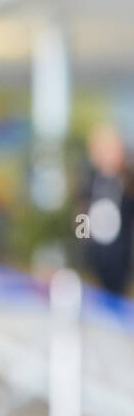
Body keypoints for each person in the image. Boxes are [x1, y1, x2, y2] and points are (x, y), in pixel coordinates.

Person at [81, 123, 134, 299]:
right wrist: (83, 243)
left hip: (121, 257)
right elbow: (81, 215)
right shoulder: (89, 181)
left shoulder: (127, 182)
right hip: (95, 254)